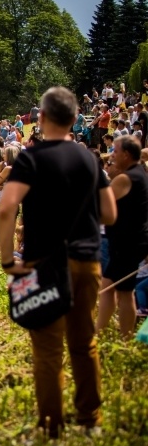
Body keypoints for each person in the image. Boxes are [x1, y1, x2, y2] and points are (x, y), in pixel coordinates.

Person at [0, 86, 117, 439]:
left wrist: (7, 260)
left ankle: (51, 427)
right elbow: (109, 212)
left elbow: (6, 208)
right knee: (84, 342)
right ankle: (90, 421)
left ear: (42, 118)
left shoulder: (30, 159)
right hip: (86, 261)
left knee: (48, 349)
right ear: (75, 119)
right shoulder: (89, 159)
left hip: (43, 264)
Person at [96, 135, 148, 339]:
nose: (112, 155)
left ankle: (125, 336)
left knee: (124, 292)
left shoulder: (126, 178)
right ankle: (100, 331)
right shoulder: (140, 174)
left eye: (115, 151)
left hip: (127, 243)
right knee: (108, 287)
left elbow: (102, 206)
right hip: (129, 242)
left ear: (126, 154)